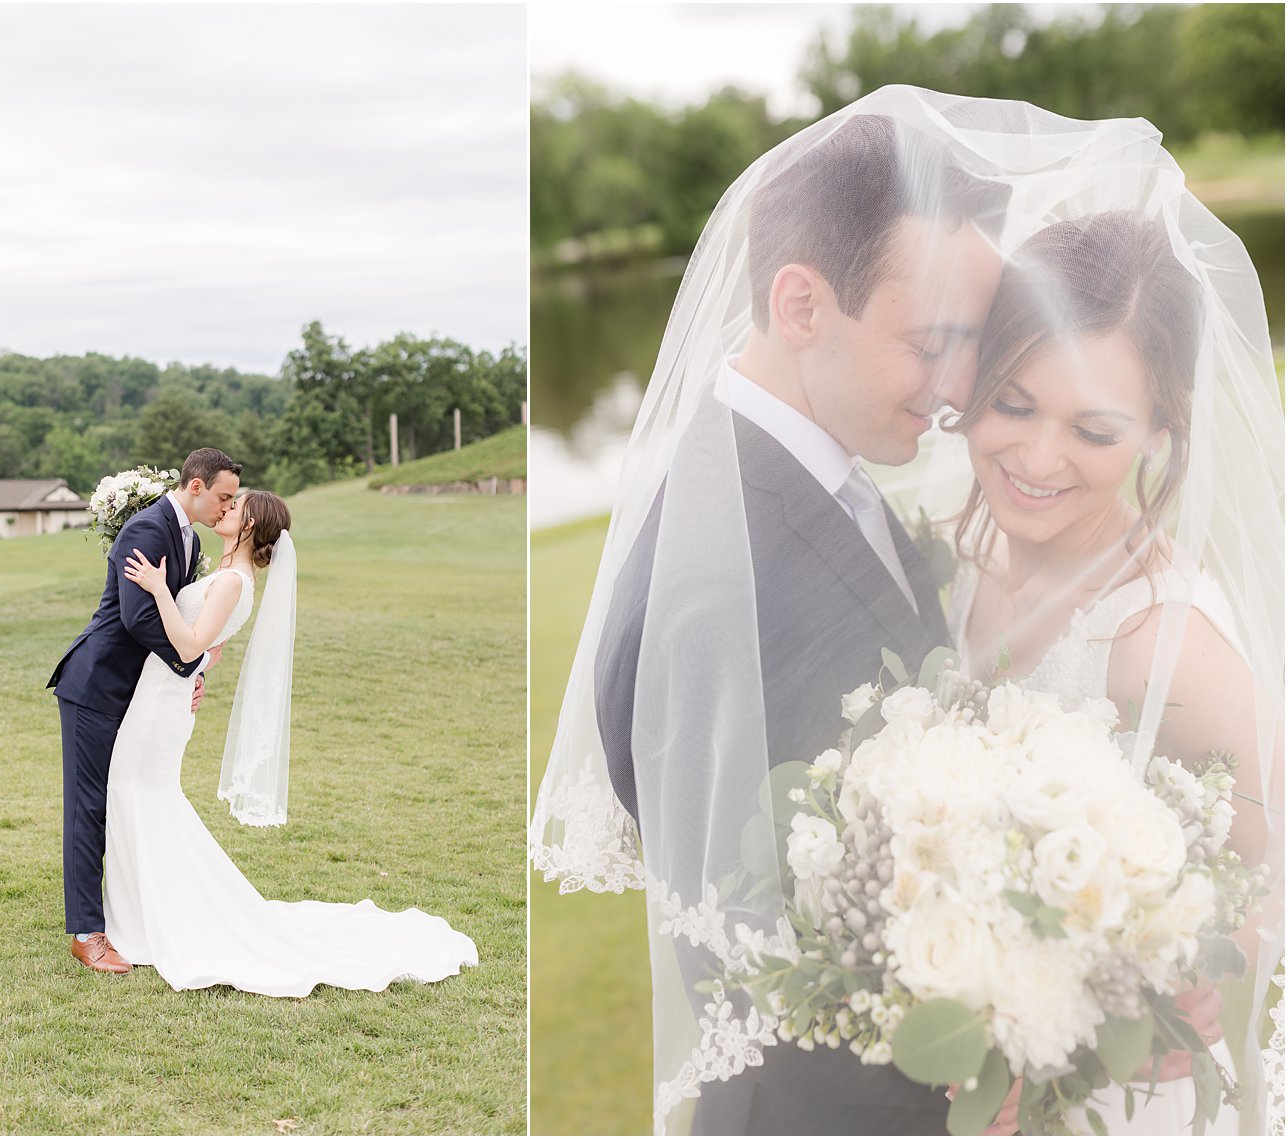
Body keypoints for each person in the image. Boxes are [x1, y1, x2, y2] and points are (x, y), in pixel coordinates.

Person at [536, 94, 1008, 1135]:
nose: (960, 387)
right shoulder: (724, 578)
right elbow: (764, 920)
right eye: (934, 341)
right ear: (800, 305)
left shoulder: (802, 471)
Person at [942, 212, 1271, 1135]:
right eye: (1012, 404)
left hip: (1118, 1097)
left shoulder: (1162, 639)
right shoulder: (966, 566)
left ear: (1159, 429)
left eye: (1092, 428)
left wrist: (1206, 974)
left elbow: (1277, 838)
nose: (1037, 458)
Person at [105, 488, 478, 996]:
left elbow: (191, 645)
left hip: (160, 710)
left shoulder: (235, 583)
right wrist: (199, 669)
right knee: (132, 796)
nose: (225, 509)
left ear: (250, 528)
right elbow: (205, 653)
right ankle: (141, 915)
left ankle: (153, 921)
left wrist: (157, 588)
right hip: (162, 695)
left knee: (139, 794)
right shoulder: (230, 577)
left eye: (235, 508)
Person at [48, 447, 241, 974]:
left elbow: (177, 617)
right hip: (95, 684)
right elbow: (136, 618)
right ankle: (86, 934)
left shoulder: (189, 537)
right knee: (88, 808)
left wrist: (191, 674)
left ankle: (122, 918)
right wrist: (188, 665)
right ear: (196, 487)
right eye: (223, 496)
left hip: (131, 693)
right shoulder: (147, 529)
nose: (228, 507)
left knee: (119, 804)